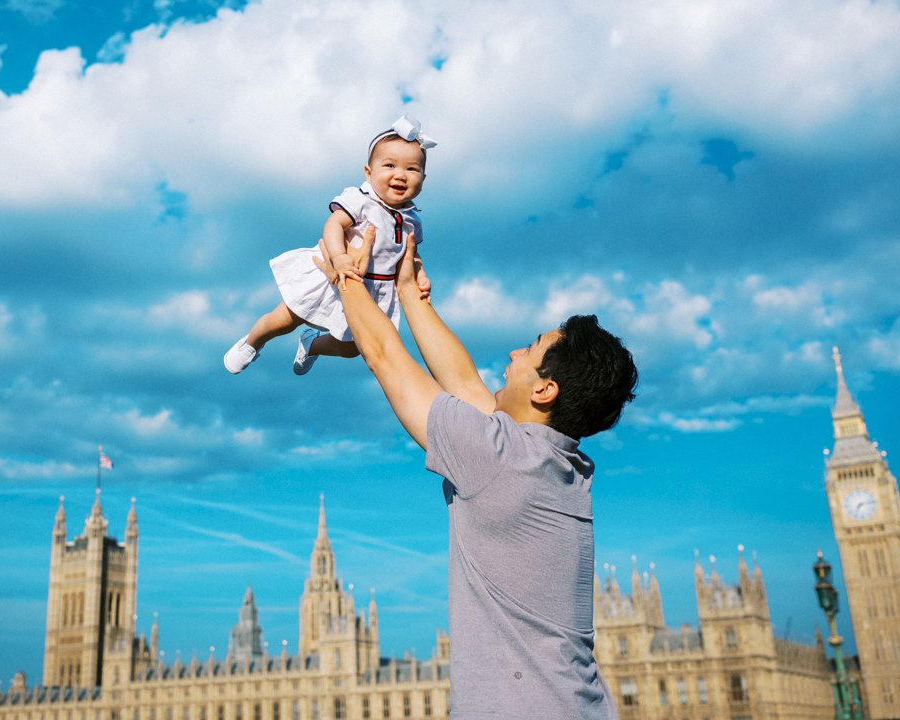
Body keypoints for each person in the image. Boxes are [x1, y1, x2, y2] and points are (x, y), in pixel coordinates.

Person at [312, 230, 637, 718]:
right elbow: (463, 382)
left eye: (528, 350)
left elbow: (384, 357)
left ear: (545, 390)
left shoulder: (502, 460)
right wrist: (409, 295)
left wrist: (346, 271)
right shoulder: (554, 464)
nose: (512, 356)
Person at [223, 115, 435, 376]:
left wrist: (420, 275)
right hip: (336, 274)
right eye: (389, 165)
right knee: (284, 320)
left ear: (423, 178)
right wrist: (339, 256)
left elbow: (412, 253)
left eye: (411, 169)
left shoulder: (412, 218)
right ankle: (253, 342)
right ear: (369, 173)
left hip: (375, 289)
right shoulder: (361, 200)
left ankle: (312, 344)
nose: (400, 175)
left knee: (353, 347)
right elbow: (334, 224)